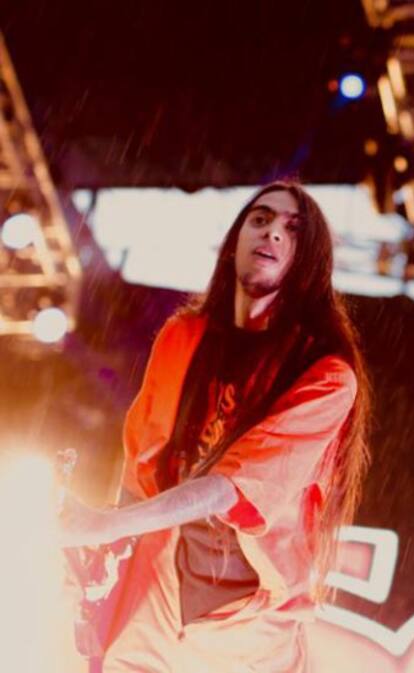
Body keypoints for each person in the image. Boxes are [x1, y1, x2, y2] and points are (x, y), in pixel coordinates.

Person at [60, 181, 371, 672]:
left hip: (250, 628)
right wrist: (108, 553)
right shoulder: (183, 336)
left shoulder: (326, 376)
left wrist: (104, 524)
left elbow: (230, 488)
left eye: (293, 229)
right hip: (155, 597)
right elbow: (140, 468)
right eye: (260, 219)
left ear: (308, 261)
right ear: (234, 240)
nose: (272, 233)